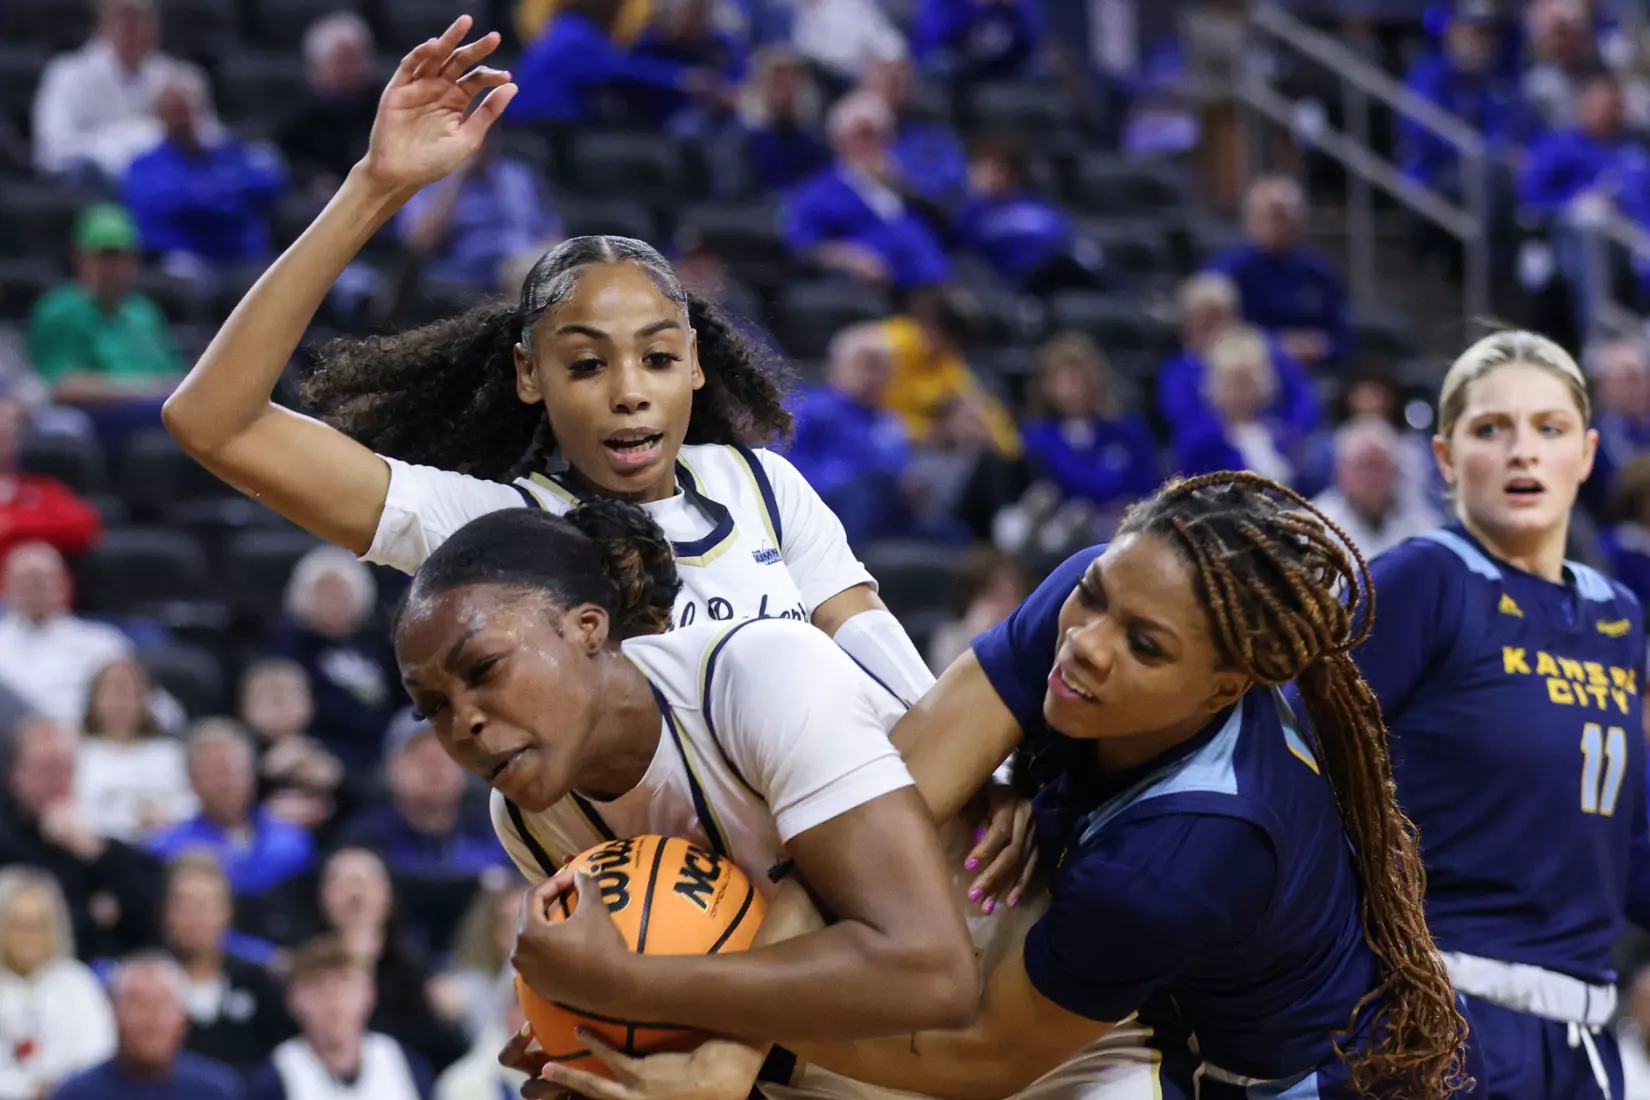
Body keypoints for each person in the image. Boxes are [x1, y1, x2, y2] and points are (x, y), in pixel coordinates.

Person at [525, 473, 1476, 1100]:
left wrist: (691, 1016)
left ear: (1227, 687)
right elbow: (869, 821)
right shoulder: (1088, 604)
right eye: (1096, 596)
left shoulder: (1182, 858)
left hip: (1269, 1079)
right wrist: (716, 1038)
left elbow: (982, 1052)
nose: (1088, 645)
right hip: (1148, 1005)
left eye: (1144, 646)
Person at [161, 16, 935, 712]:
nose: (631, 393)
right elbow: (214, 421)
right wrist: (376, 187)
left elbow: (891, 673)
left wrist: (990, 790)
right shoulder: (495, 528)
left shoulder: (764, 487)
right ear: (530, 375)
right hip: (639, 870)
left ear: (696, 365)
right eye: (588, 366)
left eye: (658, 358)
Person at [392, 501, 978, 1070]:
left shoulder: (763, 677)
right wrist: (598, 1056)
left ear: (588, 628)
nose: (463, 722)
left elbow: (931, 974)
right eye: (433, 708)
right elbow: (707, 1004)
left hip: (1021, 1025)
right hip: (851, 1069)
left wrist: (625, 987)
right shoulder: (524, 816)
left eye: (485, 670)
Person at [1351, 329, 1650, 1099]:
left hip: (1584, 1036)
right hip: (1444, 1015)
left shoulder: (1615, 612)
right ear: (1447, 459)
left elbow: (1625, 840)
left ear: (1585, 455)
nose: (1524, 452)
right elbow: (1292, 753)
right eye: (1492, 429)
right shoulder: (1427, 579)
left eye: (1548, 429)